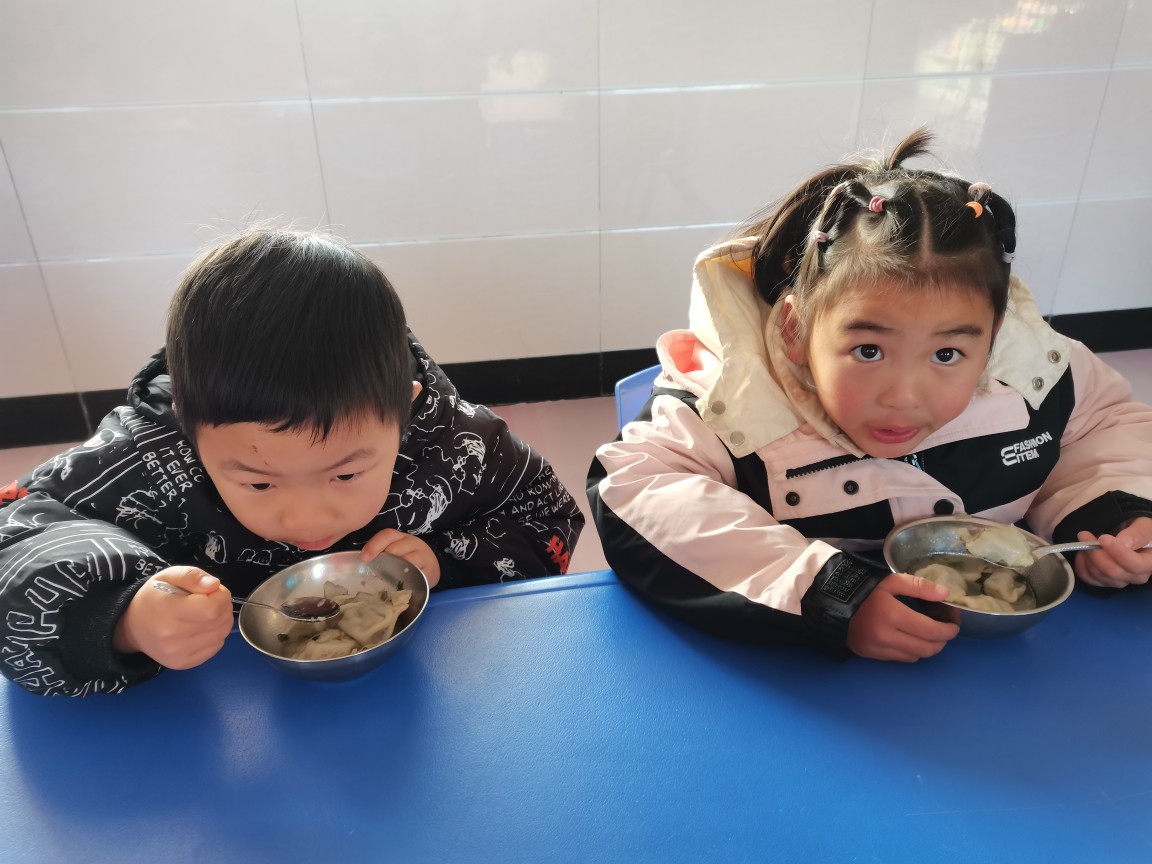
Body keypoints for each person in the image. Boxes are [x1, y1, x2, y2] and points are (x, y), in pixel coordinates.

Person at [588, 129, 1152, 663]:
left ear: (993, 336)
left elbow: (1105, 429)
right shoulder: (731, 400)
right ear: (795, 329)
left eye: (947, 354)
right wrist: (834, 595)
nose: (904, 397)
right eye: (868, 350)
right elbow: (640, 486)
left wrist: (1117, 513)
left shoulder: (1038, 378)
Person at [0, 228, 584, 696]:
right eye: (258, 483)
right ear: (189, 426)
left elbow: (547, 516)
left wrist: (447, 562)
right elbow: (17, 530)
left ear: (404, 414)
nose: (307, 520)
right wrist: (123, 620)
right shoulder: (150, 454)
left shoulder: (452, 440)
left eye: (346, 474)